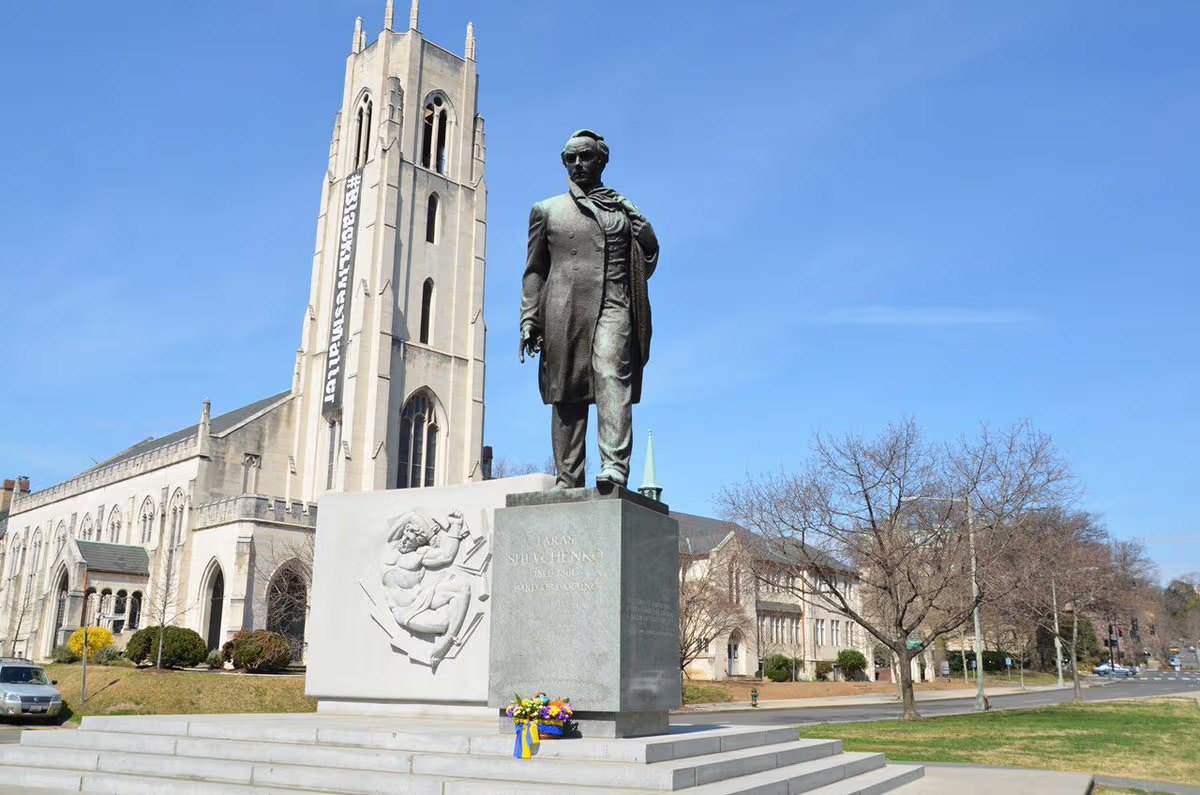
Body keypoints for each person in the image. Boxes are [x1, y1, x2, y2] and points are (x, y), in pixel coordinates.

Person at [520, 130, 659, 488]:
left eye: (585, 156)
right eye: (571, 158)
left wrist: (646, 239)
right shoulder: (547, 211)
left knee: (612, 375)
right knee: (566, 390)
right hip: (564, 310)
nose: (578, 164)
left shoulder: (624, 211)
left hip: (615, 303)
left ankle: (614, 467)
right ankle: (569, 476)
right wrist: (529, 319)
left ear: (602, 161)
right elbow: (535, 270)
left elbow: (643, 266)